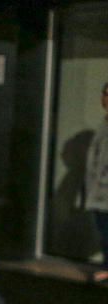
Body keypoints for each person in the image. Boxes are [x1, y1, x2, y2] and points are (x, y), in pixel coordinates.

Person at [85, 81, 108, 283]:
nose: (106, 99)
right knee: (103, 230)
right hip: (99, 191)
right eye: (105, 94)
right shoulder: (104, 123)